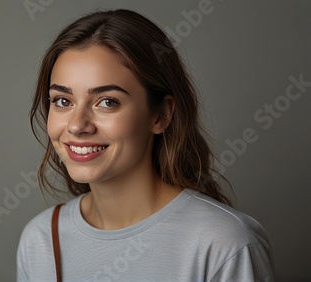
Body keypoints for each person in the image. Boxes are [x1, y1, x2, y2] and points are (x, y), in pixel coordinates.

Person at [17, 8, 274, 281]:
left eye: (107, 102)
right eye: (63, 101)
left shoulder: (225, 244)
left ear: (160, 115)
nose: (77, 125)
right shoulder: (40, 239)